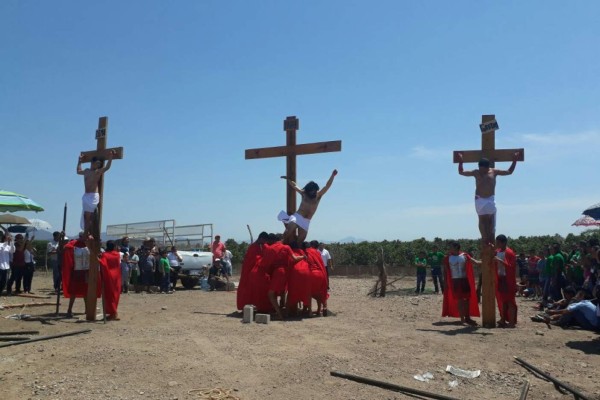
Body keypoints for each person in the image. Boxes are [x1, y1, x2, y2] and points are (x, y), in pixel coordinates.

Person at [457, 152, 519, 245]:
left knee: (490, 219)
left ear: (487, 167)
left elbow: (509, 172)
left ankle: (490, 238)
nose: (482, 171)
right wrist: (461, 161)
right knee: (482, 219)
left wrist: (514, 160)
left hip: (490, 199)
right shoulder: (475, 172)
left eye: (484, 170)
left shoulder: (494, 171)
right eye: (480, 169)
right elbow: (461, 172)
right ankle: (484, 238)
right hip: (479, 199)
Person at [279, 169, 338, 245]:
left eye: (314, 190)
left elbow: (327, 186)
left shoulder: (318, 195)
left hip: (306, 221)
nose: (313, 192)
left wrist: (333, 175)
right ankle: (281, 244)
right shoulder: (304, 194)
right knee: (289, 230)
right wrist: (288, 179)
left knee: (300, 240)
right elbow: (295, 186)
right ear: (308, 190)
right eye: (311, 191)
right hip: (298, 216)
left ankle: (294, 249)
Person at [77, 150, 115, 239]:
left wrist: (110, 157)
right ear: (92, 163)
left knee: (89, 217)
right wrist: (79, 161)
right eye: (97, 163)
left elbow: (107, 168)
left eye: (99, 164)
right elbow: (78, 171)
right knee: (86, 216)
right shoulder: (86, 171)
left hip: (93, 196)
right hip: (86, 195)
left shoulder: (97, 172)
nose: (98, 165)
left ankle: (86, 234)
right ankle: (87, 233)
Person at [62, 232, 101, 318]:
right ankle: (69, 309)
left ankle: (87, 309)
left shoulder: (90, 245)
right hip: (77, 271)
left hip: (86, 271)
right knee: (74, 291)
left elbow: (96, 252)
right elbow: (66, 247)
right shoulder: (74, 244)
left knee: (86, 291)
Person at [442, 242, 480, 325]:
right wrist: (445, 283)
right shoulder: (447, 258)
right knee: (460, 300)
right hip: (455, 281)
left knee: (466, 300)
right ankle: (462, 320)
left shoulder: (465, 255)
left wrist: (488, 259)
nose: (449, 248)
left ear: (456, 247)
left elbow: (476, 262)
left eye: (451, 246)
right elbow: (445, 271)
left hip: (464, 280)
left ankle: (467, 318)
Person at [237, 231, 268, 311]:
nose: (265, 242)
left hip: (256, 272)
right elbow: (251, 260)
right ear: (261, 238)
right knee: (248, 290)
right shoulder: (253, 247)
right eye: (264, 240)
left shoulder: (260, 246)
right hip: (248, 273)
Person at [494, 234, 518, 328]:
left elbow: (511, 267)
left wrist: (500, 261)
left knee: (510, 301)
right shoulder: (498, 251)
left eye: (498, 242)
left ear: (503, 242)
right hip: (501, 278)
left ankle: (511, 322)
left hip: (508, 280)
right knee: (503, 300)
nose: (496, 244)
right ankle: (503, 319)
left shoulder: (509, 252)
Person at [99, 240, 122, 320]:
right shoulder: (117, 254)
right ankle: (114, 312)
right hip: (117, 276)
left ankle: (113, 313)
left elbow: (103, 264)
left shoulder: (104, 255)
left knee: (109, 295)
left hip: (109, 276)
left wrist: (97, 258)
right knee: (115, 294)